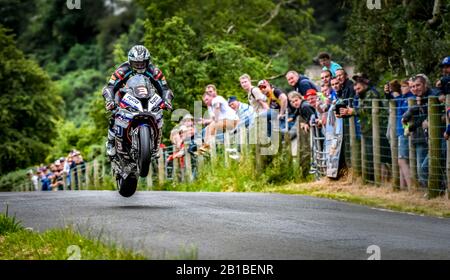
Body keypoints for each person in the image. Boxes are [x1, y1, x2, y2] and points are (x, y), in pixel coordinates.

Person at [102, 45, 174, 158]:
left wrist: (167, 100)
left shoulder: (153, 71)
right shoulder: (122, 70)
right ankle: (111, 142)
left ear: (147, 61)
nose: (140, 66)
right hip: (125, 96)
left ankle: (155, 144)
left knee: (159, 113)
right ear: (131, 62)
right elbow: (109, 87)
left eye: (143, 63)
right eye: (137, 63)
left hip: (147, 96)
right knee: (114, 113)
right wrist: (109, 100)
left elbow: (164, 88)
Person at [199, 88, 239, 153]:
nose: (206, 102)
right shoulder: (210, 107)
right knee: (207, 128)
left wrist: (215, 120)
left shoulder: (216, 99)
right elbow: (213, 119)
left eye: (207, 99)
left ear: (211, 97)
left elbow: (217, 107)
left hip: (233, 120)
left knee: (213, 125)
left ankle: (207, 146)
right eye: (204, 101)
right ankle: (206, 146)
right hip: (224, 122)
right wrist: (205, 121)